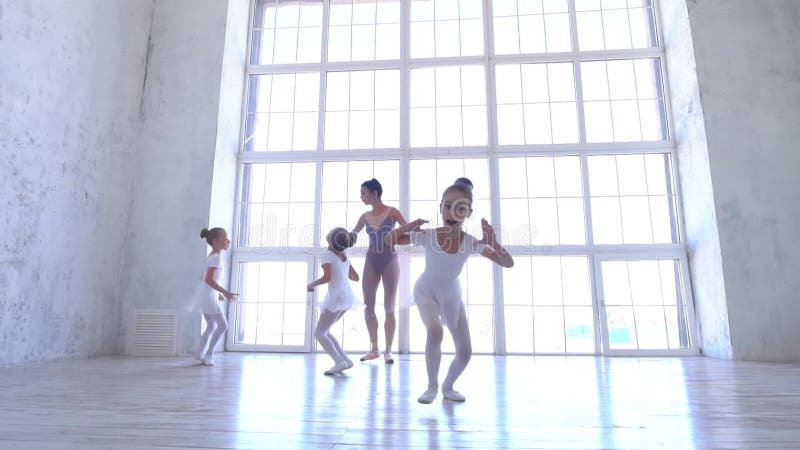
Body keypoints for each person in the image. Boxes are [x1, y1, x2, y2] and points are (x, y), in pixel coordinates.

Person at [386, 178, 514, 403]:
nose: (452, 211)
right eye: (447, 205)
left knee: (465, 352)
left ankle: (448, 387)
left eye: (460, 207)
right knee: (435, 332)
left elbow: (507, 262)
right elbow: (389, 240)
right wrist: (409, 225)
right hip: (425, 291)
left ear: (467, 213)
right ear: (441, 208)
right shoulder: (428, 235)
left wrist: (493, 241)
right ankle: (431, 387)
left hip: (451, 294)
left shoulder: (470, 242)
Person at [351, 179, 408, 364]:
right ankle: (374, 348)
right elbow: (352, 235)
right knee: (369, 306)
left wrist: (396, 237)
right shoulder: (364, 216)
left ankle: (388, 351)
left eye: (364, 193)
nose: (361, 197)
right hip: (371, 260)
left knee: (389, 307)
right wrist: (338, 240)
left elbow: (407, 233)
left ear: (375, 193)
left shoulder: (393, 212)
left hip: (390, 260)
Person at [307, 227, 361, 375]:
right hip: (347, 297)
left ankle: (339, 362)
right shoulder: (344, 255)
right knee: (325, 332)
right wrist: (342, 274)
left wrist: (311, 284)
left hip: (336, 297)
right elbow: (356, 277)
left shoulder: (327, 255)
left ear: (331, 240)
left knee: (319, 334)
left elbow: (327, 278)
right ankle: (345, 361)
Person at [192, 227, 237, 366]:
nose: (228, 240)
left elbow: (204, 278)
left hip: (207, 295)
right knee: (223, 325)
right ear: (216, 242)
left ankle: (198, 357)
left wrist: (216, 293)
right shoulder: (216, 258)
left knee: (211, 326)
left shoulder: (213, 256)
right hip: (208, 296)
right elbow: (209, 279)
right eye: (225, 238)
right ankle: (209, 355)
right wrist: (224, 292)